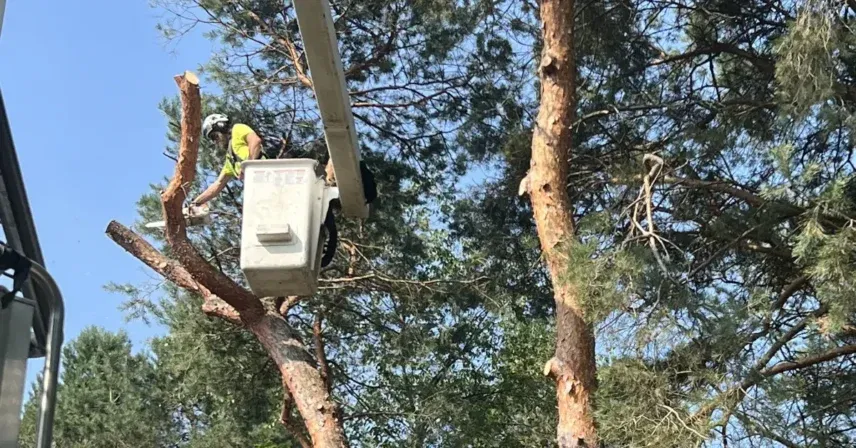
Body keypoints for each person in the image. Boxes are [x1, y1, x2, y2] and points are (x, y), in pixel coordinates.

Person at [191, 113, 265, 206]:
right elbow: (218, 184)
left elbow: (255, 141)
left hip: (267, 175)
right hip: (258, 190)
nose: (215, 141)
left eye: (214, 136)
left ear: (220, 126)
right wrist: (196, 202)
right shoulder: (230, 161)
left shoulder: (237, 129)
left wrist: (249, 166)